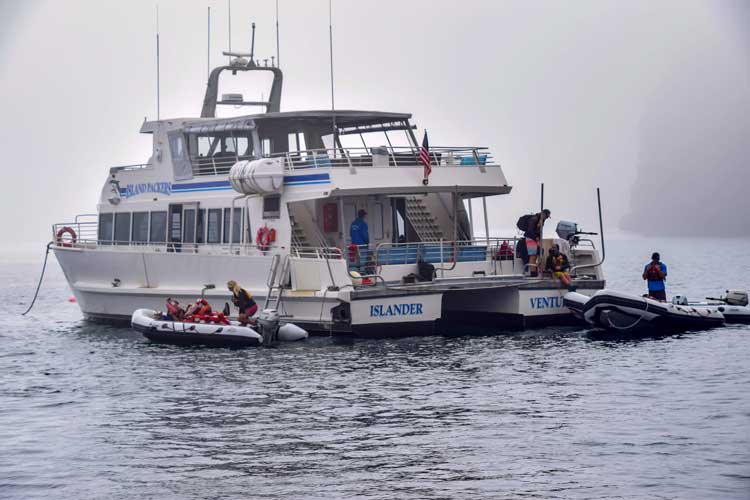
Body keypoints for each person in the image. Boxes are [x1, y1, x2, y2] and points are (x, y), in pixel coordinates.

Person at [524, 208, 551, 277]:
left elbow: (538, 231)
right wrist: (536, 238)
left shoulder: (541, 220)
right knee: (533, 255)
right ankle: (533, 273)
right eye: (547, 216)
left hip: (536, 238)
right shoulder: (535, 218)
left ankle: (536, 271)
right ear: (544, 214)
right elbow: (530, 230)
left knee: (537, 254)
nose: (547, 218)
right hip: (530, 238)